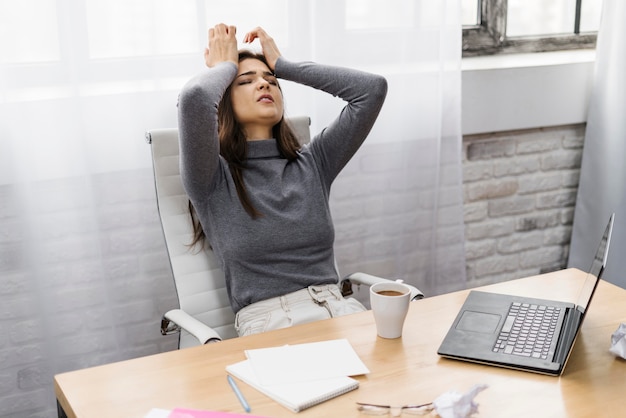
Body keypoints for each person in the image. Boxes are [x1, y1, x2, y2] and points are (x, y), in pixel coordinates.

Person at [177, 24, 388, 337]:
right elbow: (194, 98)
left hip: (339, 311)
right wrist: (225, 65)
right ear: (223, 99)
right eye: (245, 81)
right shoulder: (211, 179)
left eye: (271, 80)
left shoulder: (315, 162)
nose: (264, 84)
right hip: (271, 325)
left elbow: (371, 91)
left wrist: (283, 65)